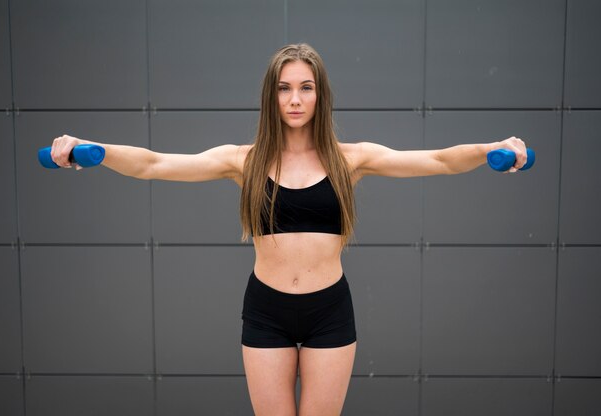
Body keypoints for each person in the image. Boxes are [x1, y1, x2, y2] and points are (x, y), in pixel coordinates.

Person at [48, 43, 527, 416]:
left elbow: (440, 160)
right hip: (267, 310)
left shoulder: (350, 158)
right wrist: (94, 149)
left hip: (328, 311)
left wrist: (491, 149)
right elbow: (155, 164)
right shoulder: (245, 160)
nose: (295, 98)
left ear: (321, 94)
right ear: (270, 95)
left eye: (306, 87)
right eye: (283, 87)